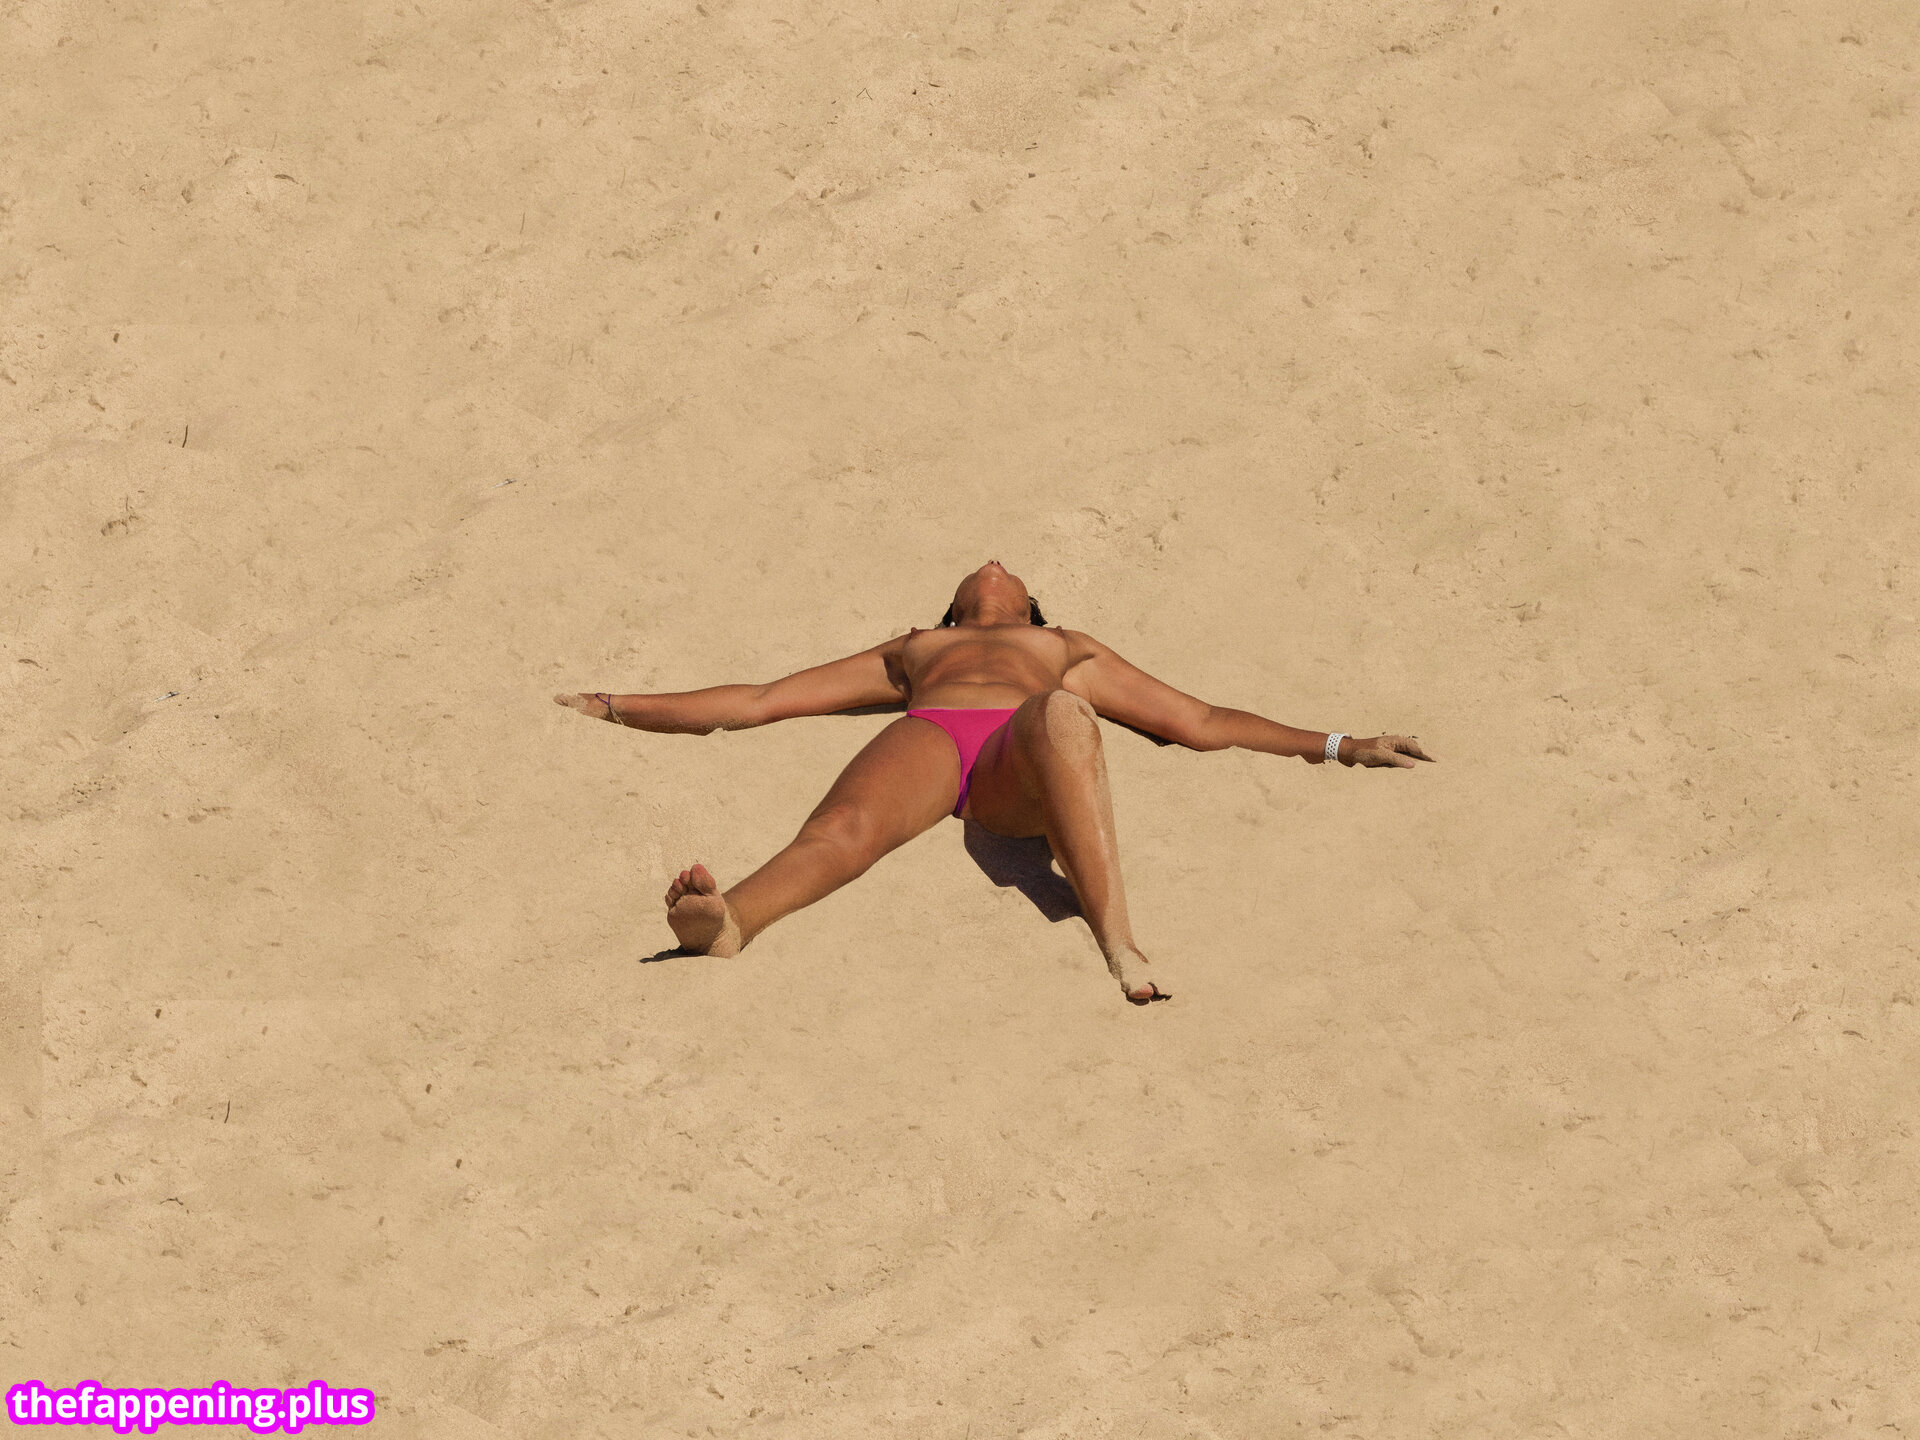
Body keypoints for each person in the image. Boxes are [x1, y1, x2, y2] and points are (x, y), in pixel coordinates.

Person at [555, 560, 1434, 1004]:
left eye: (1010, 570)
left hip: (1024, 755)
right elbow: (762, 700)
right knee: (843, 829)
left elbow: (1199, 722)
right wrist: (618, 705)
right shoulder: (916, 649)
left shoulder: (1064, 648)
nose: (993, 559)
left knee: (1064, 715)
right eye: (981, 569)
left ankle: (1118, 942)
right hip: (935, 738)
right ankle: (731, 922)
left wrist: (1340, 744)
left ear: (1029, 606)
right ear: (955, 606)